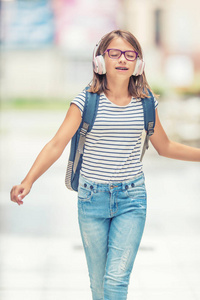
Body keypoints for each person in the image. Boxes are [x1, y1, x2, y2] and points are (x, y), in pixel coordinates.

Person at [10, 30, 200, 300]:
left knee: (115, 282)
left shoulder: (146, 103)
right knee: (98, 286)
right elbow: (56, 144)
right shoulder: (85, 101)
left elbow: (165, 147)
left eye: (130, 54)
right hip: (92, 199)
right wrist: (28, 181)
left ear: (139, 63)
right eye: (114, 53)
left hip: (132, 199)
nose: (122, 60)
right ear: (100, 60)